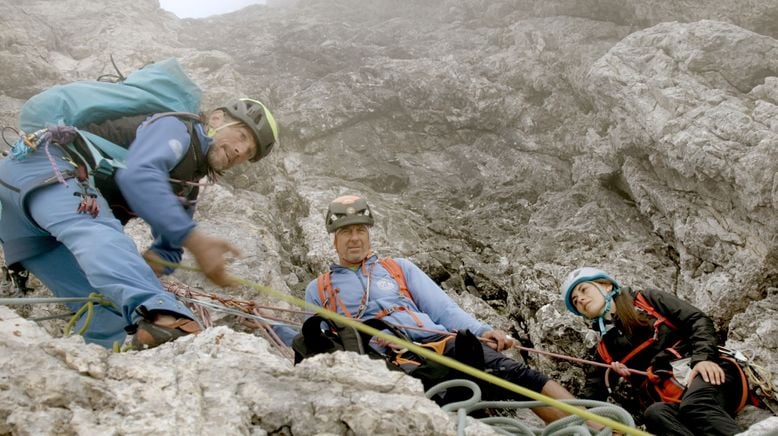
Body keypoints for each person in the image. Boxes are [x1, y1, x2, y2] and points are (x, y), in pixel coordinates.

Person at [0, 97, 279, 350]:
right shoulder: (175, 128)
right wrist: (196, 241)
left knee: (97, 302)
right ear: (217, 118)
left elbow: (168, 248)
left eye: (248, 153)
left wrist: (157, 260)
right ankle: (165, 315)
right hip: (49, 168)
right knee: (98, 234)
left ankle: (118, 351)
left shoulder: (188, 184)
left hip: (23, 221)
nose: (240, 150)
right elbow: (137, 175)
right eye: (242, 135)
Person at [303, 194, 577, 424]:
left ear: (369, 235)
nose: (354, 238)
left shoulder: (397, 268)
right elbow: (312, 344)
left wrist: (483, 331)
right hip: (385, 361)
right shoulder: (319, 289)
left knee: (515, 374)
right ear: (334, 240)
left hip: (439, 343)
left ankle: (596, 425)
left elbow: (443, 309)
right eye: (346, 232)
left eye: (360, 230)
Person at [560, 267, 745, 436]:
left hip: (711, 375)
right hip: (675, 398)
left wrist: (704, 359)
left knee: (695, 404)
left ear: (607, 286)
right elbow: (592, 396)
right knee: (654, 414)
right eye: (575, 301)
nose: (581, 300)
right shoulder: (606, 349)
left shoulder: (647, 300)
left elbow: (697, 320)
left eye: (584, 290)